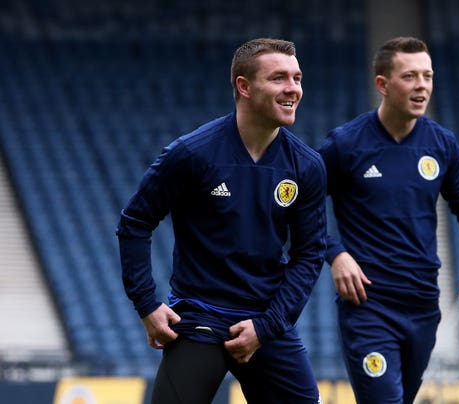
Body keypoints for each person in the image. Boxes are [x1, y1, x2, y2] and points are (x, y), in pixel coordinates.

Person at [116, 38, 327, 404]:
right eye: (279, 78)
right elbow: (135, 222)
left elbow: (309, 254)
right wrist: (147, 304)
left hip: (266, 321)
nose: (293, 88)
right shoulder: (191, 154)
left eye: (297, 78)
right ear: (244, 87)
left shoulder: (307, 165)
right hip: (199, 317)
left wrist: (266, 326)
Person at [317, 36, 459, 403]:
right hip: (368, 305)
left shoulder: (442, 145)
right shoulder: (346, 144)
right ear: (383, 84)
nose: (422, 86)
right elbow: (301, 205)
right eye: (410, 76)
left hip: (422, 305)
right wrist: (335, 253)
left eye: (427, 76)